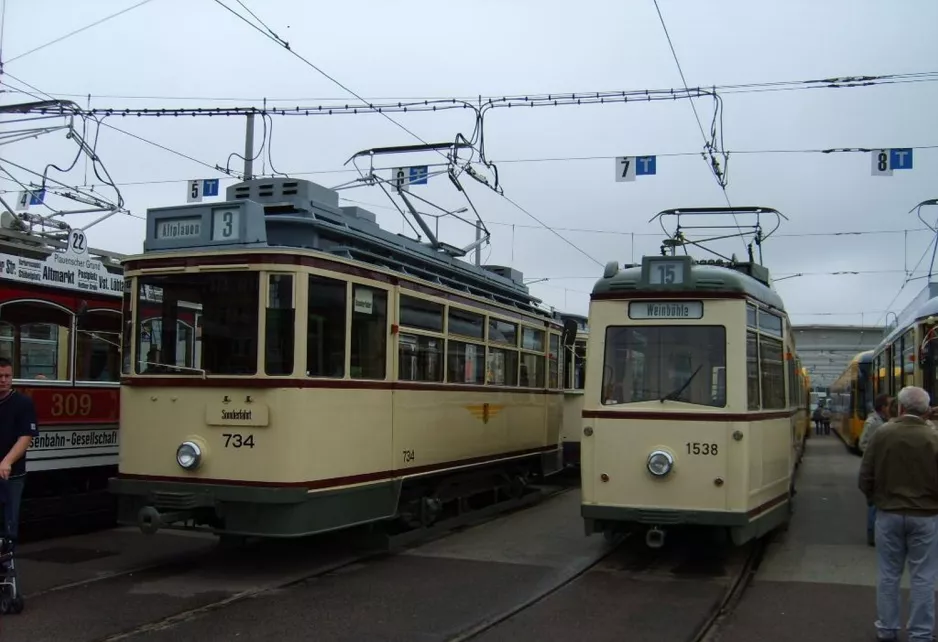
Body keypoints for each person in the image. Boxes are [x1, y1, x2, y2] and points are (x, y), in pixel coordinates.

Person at [858, 386, 938, 642]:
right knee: (924, 577)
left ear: (900, 408)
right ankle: (921, 634)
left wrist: (876, 500)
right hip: (926, 515)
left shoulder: (882, 433)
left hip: (889, 513)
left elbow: (865, 476)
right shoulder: (934, 437)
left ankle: (888, 629)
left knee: (888, 574)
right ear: (926, 410)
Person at [0, 357, 39, 556]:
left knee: (8, 523)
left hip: (12, 475)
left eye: (8, 376)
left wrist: (7, 461)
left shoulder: (23, 403)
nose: (4, 380)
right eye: (0, 376)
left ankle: (5, 566)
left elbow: (25, 437)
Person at [859, 394, 892, 546]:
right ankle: (871, 536)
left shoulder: (885, 421)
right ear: (883, 407)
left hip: (883, 468)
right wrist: (877, 455)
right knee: (873, 504)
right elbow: (863, 444)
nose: (891, 408)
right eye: (889, 405)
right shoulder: (872, 422)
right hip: (875, 468)